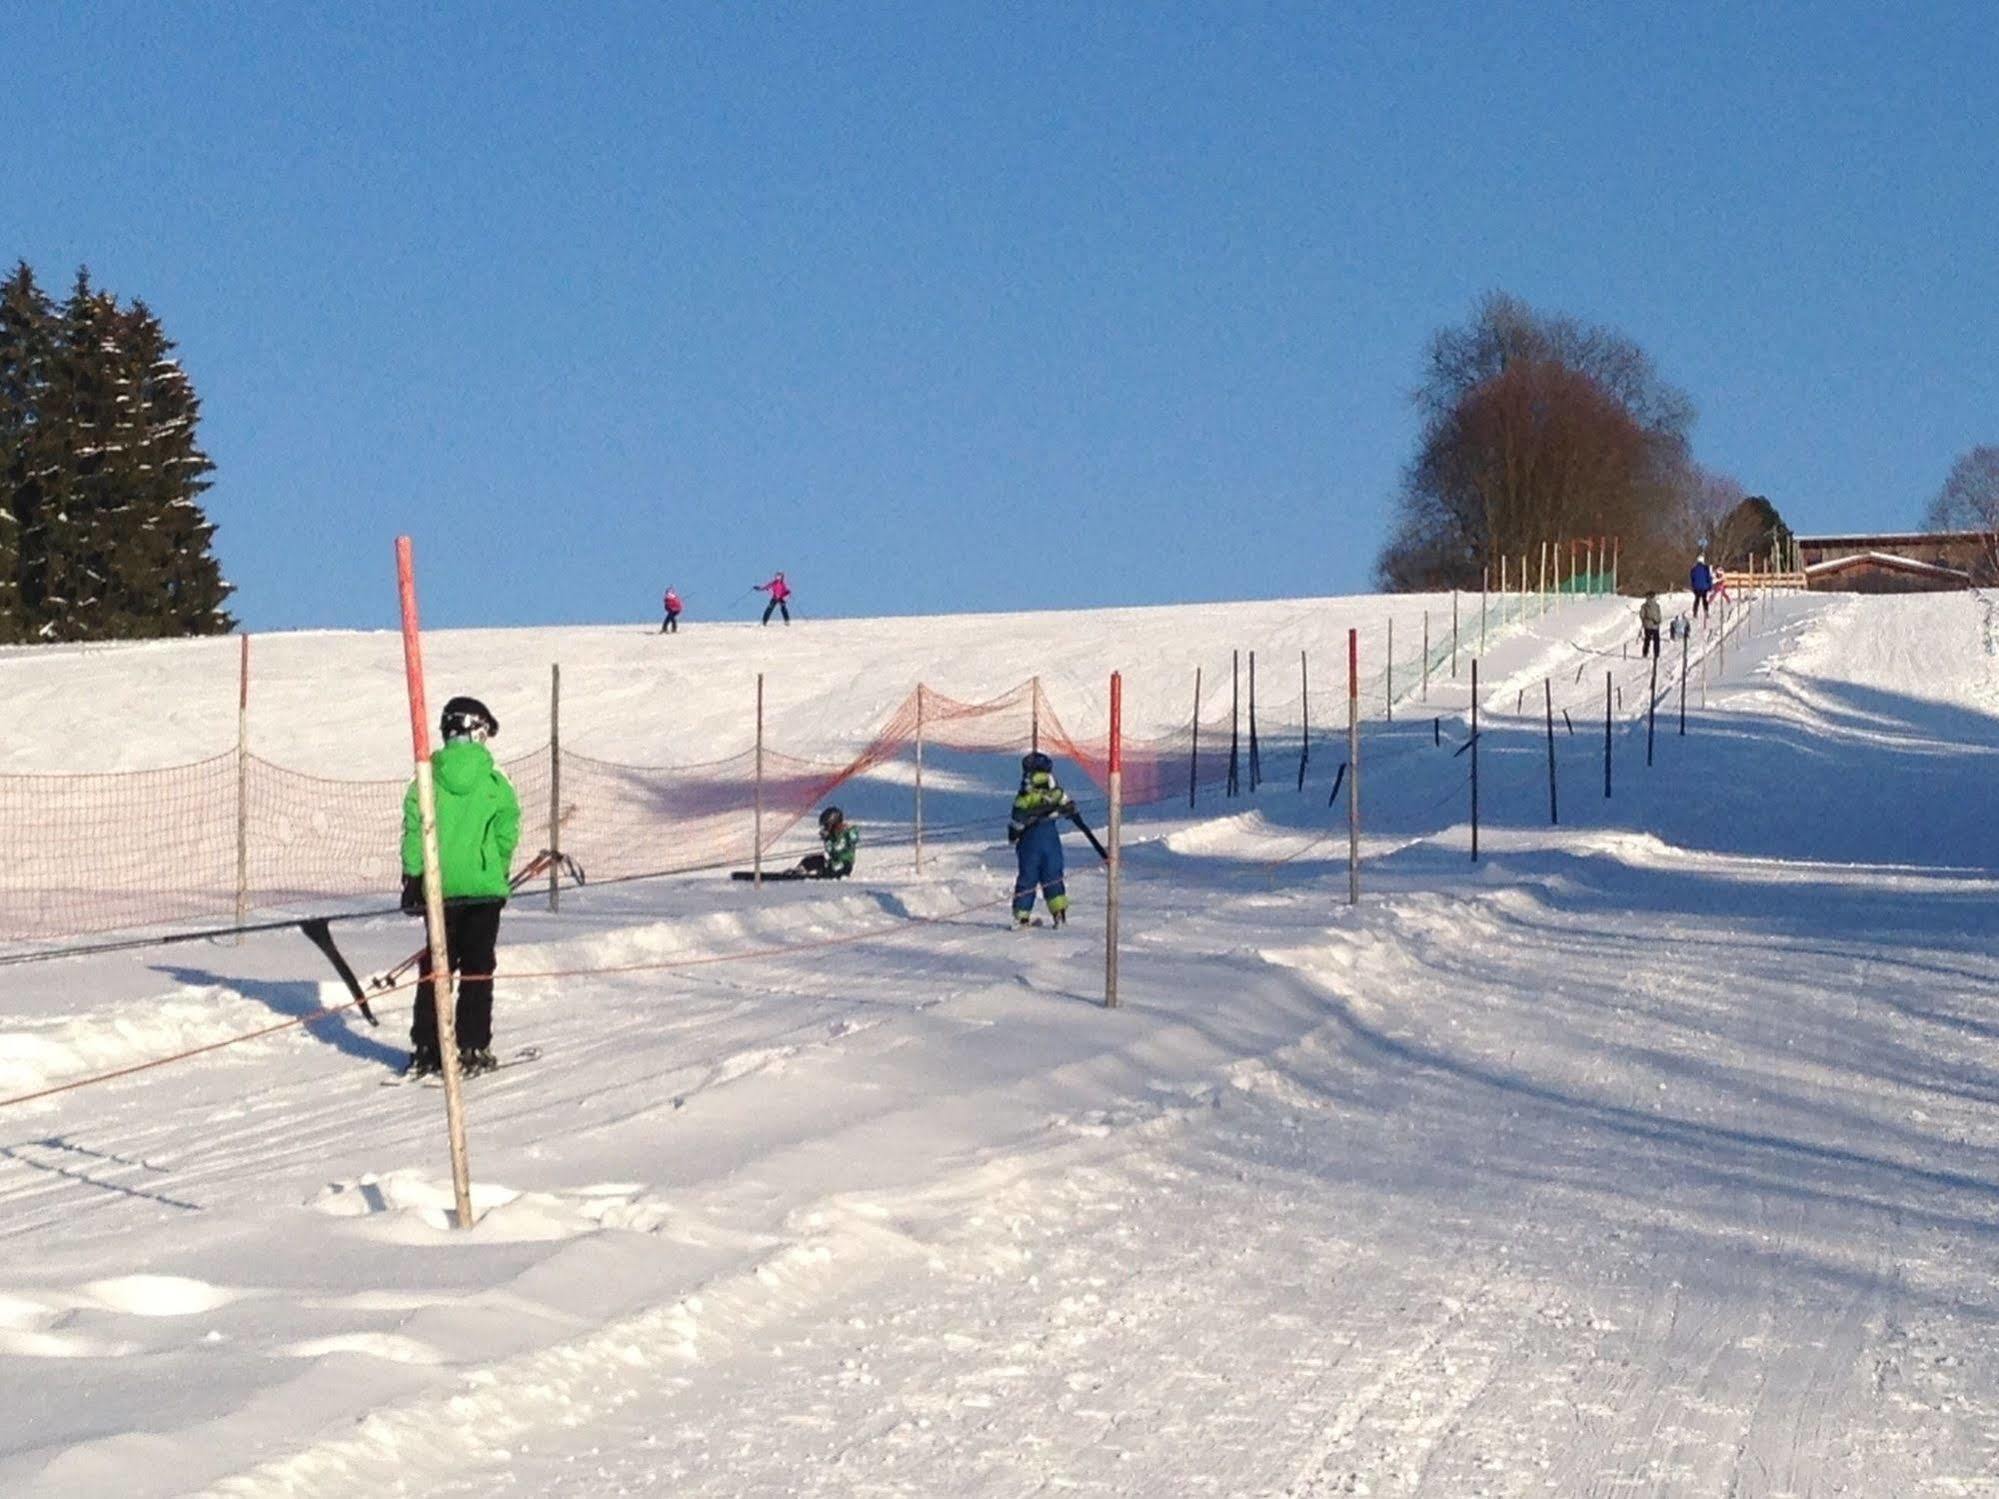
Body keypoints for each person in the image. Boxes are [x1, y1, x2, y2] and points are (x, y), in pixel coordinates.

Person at [399, 695, 521, 1078]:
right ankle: (472, 1046)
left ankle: (426, 1047)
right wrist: (497, 870)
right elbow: (506, 830)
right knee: (477, 966)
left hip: (439, 888)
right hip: (483, 890)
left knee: (436, 965)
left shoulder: (425, 777)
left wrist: (413, 876)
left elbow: (414, 829)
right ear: (478, 731)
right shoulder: (494, 780)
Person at [1008, 750, 1076, 928]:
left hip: (1029, 841)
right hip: (1050, 839)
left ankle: (1021, 916)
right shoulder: (1054, 791)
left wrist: (1013, 834)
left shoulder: (1025, 796)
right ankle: (1059, 913)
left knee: (1027, 877)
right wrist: (1068, 810)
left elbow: (1017, 819)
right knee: (1053, 874)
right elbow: (1068, 804)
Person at [796, 806, 858, 879]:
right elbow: (830, 850)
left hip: (843, 865)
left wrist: (840, 833)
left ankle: (825, 874)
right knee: (813, 860)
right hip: (833, 863)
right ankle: (799, 870)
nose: (825, 828)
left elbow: (853, 837)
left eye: (826, 825)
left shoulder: (847, 832)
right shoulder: (830, 837)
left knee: (832, 868)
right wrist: (827, 838)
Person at [1638, 592, 1663, 658]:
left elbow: (1642, 615)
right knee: (1655, 640)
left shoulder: (1645, 605)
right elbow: (1658, 615)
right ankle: (1656, 654)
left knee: (1648, 640)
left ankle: (1645, 653)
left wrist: (1644, 620)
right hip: (1653, 625)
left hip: (1649, 625)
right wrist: (1658, 620)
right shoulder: (1655, 605)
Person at [1690, 554, 1714, 618]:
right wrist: (1710, 587)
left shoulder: (1694, 569)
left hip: (1696, 587)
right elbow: (1709, 578)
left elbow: (1692, 578)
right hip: (1704, 587)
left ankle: (1695, 612)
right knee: (1704, 599)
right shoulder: (1706, 568)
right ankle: (1706, 611)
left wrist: (1693, 586)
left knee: (1697, 599)